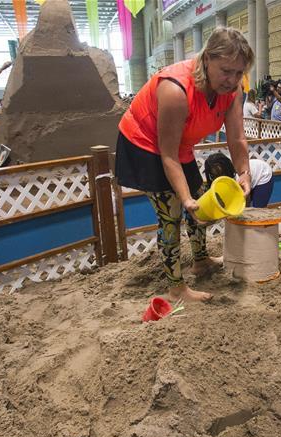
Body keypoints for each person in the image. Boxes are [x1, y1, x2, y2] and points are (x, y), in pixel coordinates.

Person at [115, 27, 254, 303]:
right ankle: (176, 287)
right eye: (226, 70)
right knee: (172, 212)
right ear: (207, 60)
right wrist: (185, 197)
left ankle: (200, 260)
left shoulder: (233, 89)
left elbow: (237, 138)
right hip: (145, 143)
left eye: (239, 72)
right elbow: (167, 155)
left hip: (180, 146)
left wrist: (244, 173)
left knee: (201, 202)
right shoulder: (175, 89)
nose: (233, 79)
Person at [203, 152, 273, 208]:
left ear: (227, 170)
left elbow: (246, 199)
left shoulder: (237, 179)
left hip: (262, 174)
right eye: (214, 175)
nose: (218, 178)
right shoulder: (213, 180)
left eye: (221, 174)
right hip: (251, 175)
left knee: (258, 210)